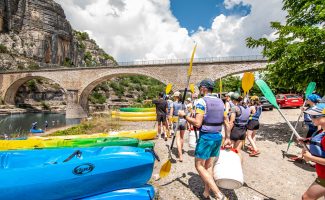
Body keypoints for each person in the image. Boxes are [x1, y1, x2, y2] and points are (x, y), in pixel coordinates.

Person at [178, 79, 230, 200]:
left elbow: (197, 123)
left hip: (207, 137)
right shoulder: (221, 102)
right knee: (209, 166)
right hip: (218, 136)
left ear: (204, 89)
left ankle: (218, 194)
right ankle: (206, 193)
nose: (199, 90)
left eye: (200, 88)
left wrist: (184, 115)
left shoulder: (201, 101)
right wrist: (227, 138)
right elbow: (227, 123)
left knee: (199, 166)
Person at [301, 103, 325, 199]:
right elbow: (319, 140)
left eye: (314, 116)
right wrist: (307, 140)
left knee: (306, 197)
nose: (311, 118)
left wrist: (310, 157)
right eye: (310, 115)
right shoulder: (321, 131)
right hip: (321, 173)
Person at [169, 91, 187, 162]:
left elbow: (170, 114)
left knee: (178, 138)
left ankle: (180, 155)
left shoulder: (172, 104)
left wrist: (170, 123)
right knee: (182, 138)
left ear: (175, 97)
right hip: (183, 121)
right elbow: (186, 113)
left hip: (176, 121)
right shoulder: (183, 104)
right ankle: (180, 151)